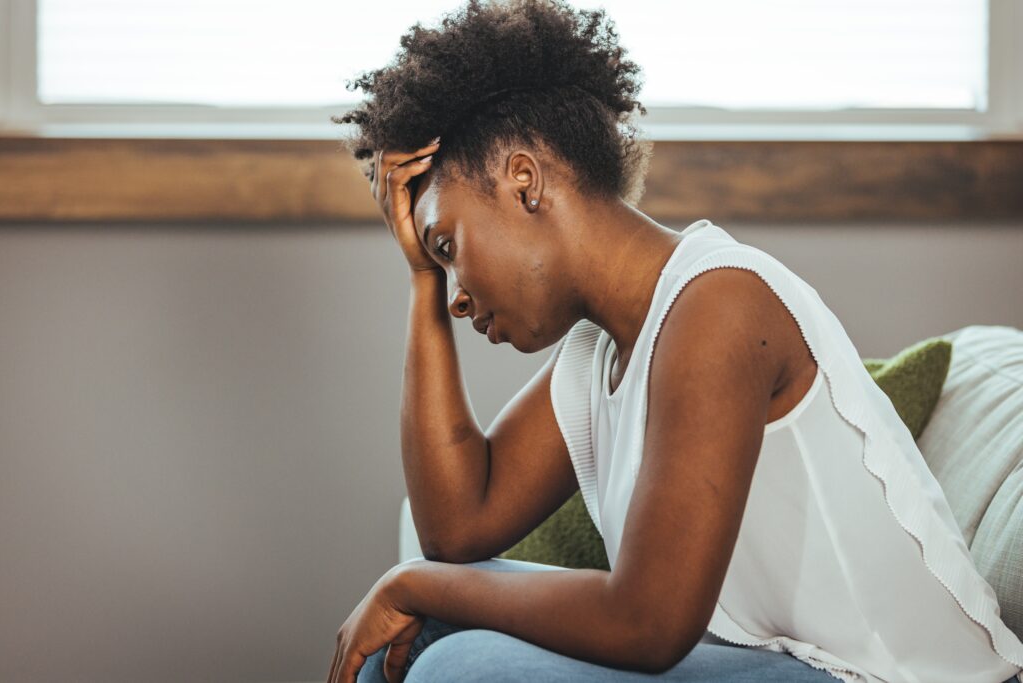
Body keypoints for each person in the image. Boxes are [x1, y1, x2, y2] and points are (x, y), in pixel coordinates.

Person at [325, 1, 1023, 681]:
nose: (457, 295)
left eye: (448, 246)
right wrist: (420, 277)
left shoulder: (720, 302)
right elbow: (457, 529)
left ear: (524, 182)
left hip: (879, 675)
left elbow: (648, 623)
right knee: (412, 642)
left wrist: (413, 582)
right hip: (780, 660)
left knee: (460, 666)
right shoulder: (599, 351)